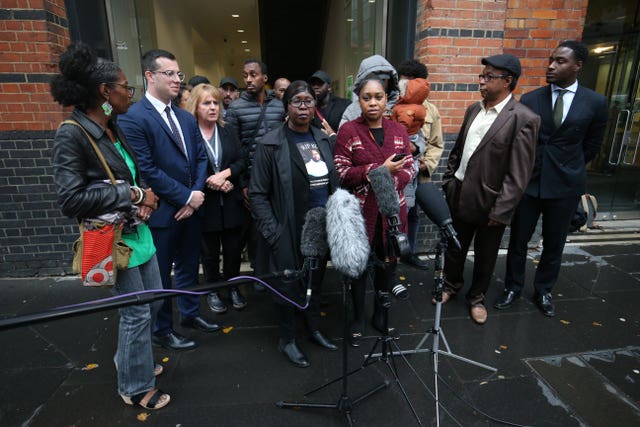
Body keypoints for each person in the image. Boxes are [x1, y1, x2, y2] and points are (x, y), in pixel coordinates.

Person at [51, 43, 169, 409]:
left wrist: (146, 196)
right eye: (124, 87)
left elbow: (130, 177)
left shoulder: (113, 127)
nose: (128, 93)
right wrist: (133, 195)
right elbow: (70, 200)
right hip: (113, 241)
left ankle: (132, 360)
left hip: (138, 234)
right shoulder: (72, 133)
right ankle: (135, 386)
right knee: (135, 312)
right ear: (105, 91)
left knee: (151, 304)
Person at [496, 40, 609, 317]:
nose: (551, 65)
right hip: (530, 182)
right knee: (519, 240)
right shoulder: (532, 99)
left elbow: (592, 146)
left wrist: (568, 167)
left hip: (566, 185)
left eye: (560, 61)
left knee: (554, 242)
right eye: (551, 59)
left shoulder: (595, 102)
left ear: (578, 66)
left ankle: (544, 290)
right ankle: (513, 287)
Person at [120, 49, 219, 351]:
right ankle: (162, 330)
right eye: (170, 74)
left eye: (179, 74)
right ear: (150, 76)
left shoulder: (185, 118)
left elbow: (200, 157)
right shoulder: (134, 118)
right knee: (161, 276)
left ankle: (189, 314)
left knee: (190, 266)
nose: (177, 79)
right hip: (163, 212)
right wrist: (186, 196)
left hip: (192, 209)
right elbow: (146, 168)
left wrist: (195, 198)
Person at [440, 54, 540, 325]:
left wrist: (501, 210)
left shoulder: (524, 119)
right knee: (455, 247)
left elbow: (519, 174)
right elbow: (459, 149)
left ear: (508, 81)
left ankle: (476, 298)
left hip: (490, 203)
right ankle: (450, 286)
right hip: (459, 193)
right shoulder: (474, 109)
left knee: (485, 256)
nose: (482, 82)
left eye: (489, 77)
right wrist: (450, 180)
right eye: (481, 76)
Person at [250, 81, 339, 367]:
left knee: (315, 280)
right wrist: (273, 232)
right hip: (287, 228)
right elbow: (258, 194)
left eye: (309, 101)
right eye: (297, 101)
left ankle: (312, 328)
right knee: (287, 284)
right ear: (286, 106)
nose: (303, 107)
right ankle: (287, 338)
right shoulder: (271, 143)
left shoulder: (322, 139)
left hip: (320, 226)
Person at [333, 77, 414, 346]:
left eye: (378, 96)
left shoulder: (399, 131)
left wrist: (385, 178)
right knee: (357, 269)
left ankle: (381, 315)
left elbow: (410, 168)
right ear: (359, 99)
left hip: (392, 215)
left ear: (386, 98)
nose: (372, 102)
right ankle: (357, 317)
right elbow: (343, 173)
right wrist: (380, 171)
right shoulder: (348, 131)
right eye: (366, 97)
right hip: (360, 215)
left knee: (388, 268)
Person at [185, 84, 249, 314]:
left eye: (216, 103)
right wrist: (213, 180)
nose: (213, 107)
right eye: (206, 103)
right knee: (209, 253)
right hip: (206, 204)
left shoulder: (228, 130)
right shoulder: (188, 135)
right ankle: (213, 289)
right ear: (195, 106)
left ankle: (232, 286)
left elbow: (241, 160)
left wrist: (225, 174)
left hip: (231, 202)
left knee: (233, 251)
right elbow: (187, 169)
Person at [225, 60, 286, 273]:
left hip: (278, 178)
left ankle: (278, 274)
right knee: (252, 234)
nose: (248, 80)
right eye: (245, 75)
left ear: (265, 78)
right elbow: (234, 149)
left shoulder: (279, 105)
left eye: (253, 74)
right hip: (250, 179)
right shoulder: (235, 108)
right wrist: (242, 183)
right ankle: (257, 278)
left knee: (278, 226)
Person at [393, 59, 445, 272]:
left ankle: (409, 252)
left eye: (408, 83)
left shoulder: (431, 111)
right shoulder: (392, 105)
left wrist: (426, 163)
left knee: (413, 213)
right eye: (401, 82)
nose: (404, 87)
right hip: (394, 170)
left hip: (418, 173)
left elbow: (437, 143)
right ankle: (391, 254)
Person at [339, 55, 399, 128]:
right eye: (373, 80)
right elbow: (343, 137)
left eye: (383, 80)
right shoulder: (352, 111)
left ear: (390, 81)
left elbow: (411, 136)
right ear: (362, 82)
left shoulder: (400, 106)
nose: (378, 84)